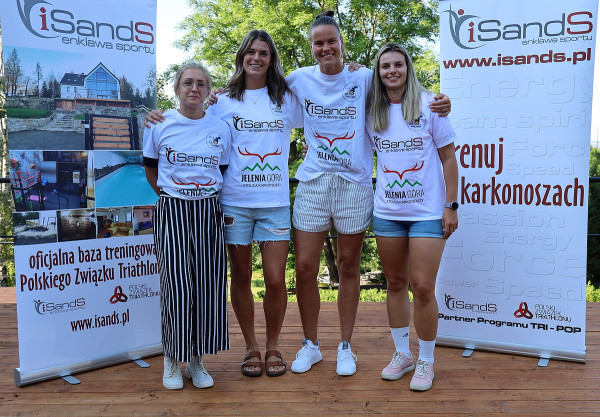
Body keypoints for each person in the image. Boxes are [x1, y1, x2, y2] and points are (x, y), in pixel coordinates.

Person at [287, 11, 451, 377]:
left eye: (332, 41)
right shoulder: (298, 79)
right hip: (313, 182)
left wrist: (441, 101)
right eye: (318, 43)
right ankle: (311, 345)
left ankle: (345, 346)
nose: (325, 48)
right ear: (311, 46)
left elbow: (404, 93)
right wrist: (218, 95)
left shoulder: (364, 77)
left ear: (342, 43)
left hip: (356, 185)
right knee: (305, 267)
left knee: (349, 267)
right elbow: (259, 89)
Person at [146, 30, 303, 377]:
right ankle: (251, 348)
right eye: (251, 52)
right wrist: (156, 116)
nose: (256, 58)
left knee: (275, 279)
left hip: (274, 201)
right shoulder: (222, 99)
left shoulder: (287, 98)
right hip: (233, 203)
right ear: (241, 56)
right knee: (241, 276)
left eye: (264, 52)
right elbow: (190, 121)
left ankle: (273, 346)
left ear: (271, 59)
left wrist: (350, 71)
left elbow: (327, 114)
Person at [367, 43, 458, 391]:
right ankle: (402, 354)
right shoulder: (371, 110)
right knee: (394, 284)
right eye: (385, 66)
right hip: (387, 213)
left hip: (427, 214)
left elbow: (448, 159)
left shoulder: (431, 104)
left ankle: (426, 359)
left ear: (408, 68)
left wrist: (451, 206)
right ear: (378, 72)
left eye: (398, 64)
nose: (392, 70)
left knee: (421, 286)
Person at [143, 63, 232, 390]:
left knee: (208, 286)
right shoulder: (159, 124)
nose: (194, 89)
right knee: (176, 286)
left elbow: (221, 170)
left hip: (209, 210)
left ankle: (196, 359)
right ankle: (171, 358)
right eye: (188, 83)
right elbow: (151, 170)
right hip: (173, 209)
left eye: (201, 84)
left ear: (208, 90)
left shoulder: (221, 128)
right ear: (177, 88)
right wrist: (173, 196)